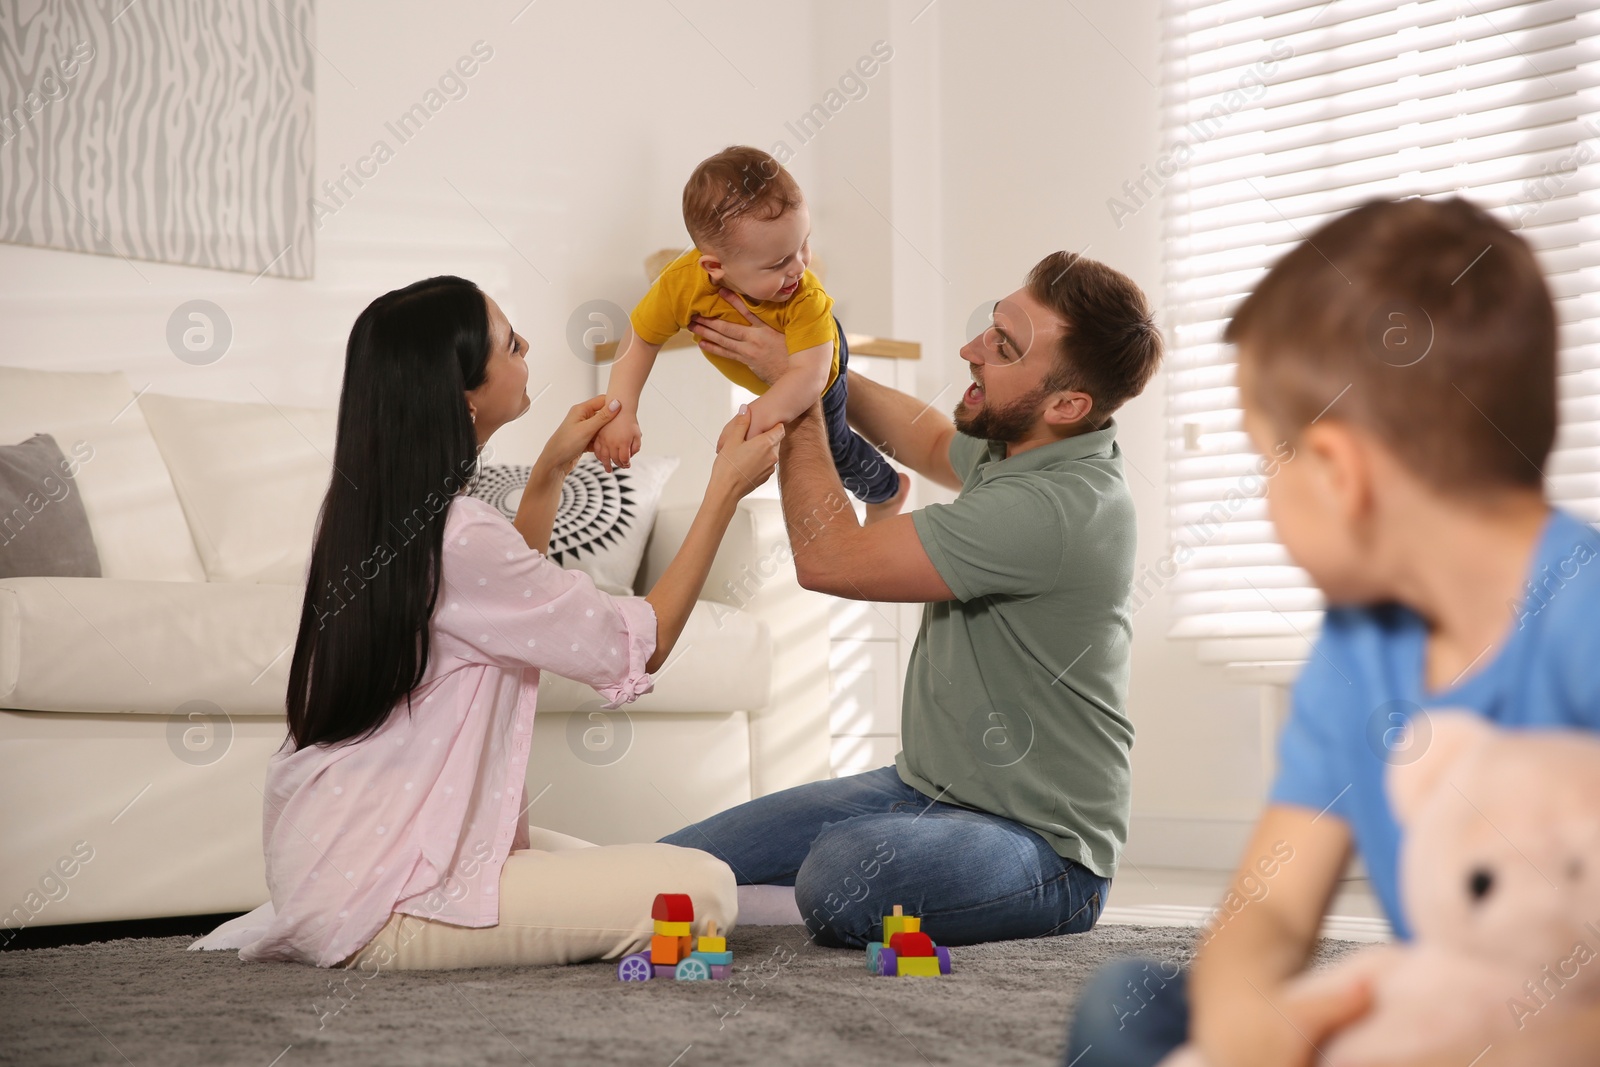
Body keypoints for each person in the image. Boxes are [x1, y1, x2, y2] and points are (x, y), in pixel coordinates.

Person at [1063, 198, 1600, 1066]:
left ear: (1340, 474)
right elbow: (1271, 907)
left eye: (1265, 456)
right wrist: (1249, 1022)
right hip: (1424, 1018)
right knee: (1128, 1003)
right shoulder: (1361, 645)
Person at [190, 275, 783, 971]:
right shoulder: (462, 535)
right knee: (701, 888)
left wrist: (550, 473)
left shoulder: (375, 517)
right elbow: (637, 641)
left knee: (610, 865)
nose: (527, 345)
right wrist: (723, 490)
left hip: (340, 863)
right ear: (464, 392)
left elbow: (508, 614)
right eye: (510, 342)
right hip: (393, 905)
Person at [660, 250, 1164, 948]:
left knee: (842, 876)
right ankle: (780, 887)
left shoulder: (1054, 505)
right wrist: (817, 358)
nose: (971, 350)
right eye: (992, 326)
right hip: (920, 790)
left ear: (1067, 403)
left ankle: (801, 890)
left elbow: (829, 558)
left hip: (1043, 848)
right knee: (665, 868)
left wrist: (797, 398)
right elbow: (925, 438)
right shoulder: (1027, 443)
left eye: (1002, 347)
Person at [594, 144, 910, 523]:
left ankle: (886, 489)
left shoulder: (807, 296)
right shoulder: (679, 284)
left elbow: (808, 378)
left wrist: (753, 416)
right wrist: (621, 409)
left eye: (804, 243)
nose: (799, 266)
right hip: (785, 368)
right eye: (779, 262)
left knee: (833, 444)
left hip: (817, 361)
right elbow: (642, 337)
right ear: (715, 267)